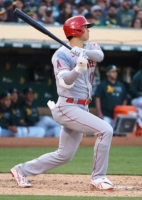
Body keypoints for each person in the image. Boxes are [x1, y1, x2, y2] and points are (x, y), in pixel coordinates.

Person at [10, 15, 114, 190]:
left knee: (64, 155)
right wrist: (77, 69)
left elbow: (100, 56)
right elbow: (65, 81)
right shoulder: (60, 54)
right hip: (67, 106)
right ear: (78, 30)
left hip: (83, 107)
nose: (88, 30)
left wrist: (83, 53)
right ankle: (98, 177)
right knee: (106, 130)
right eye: (86, 27)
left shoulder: (90, 46)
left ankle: (22, 170)